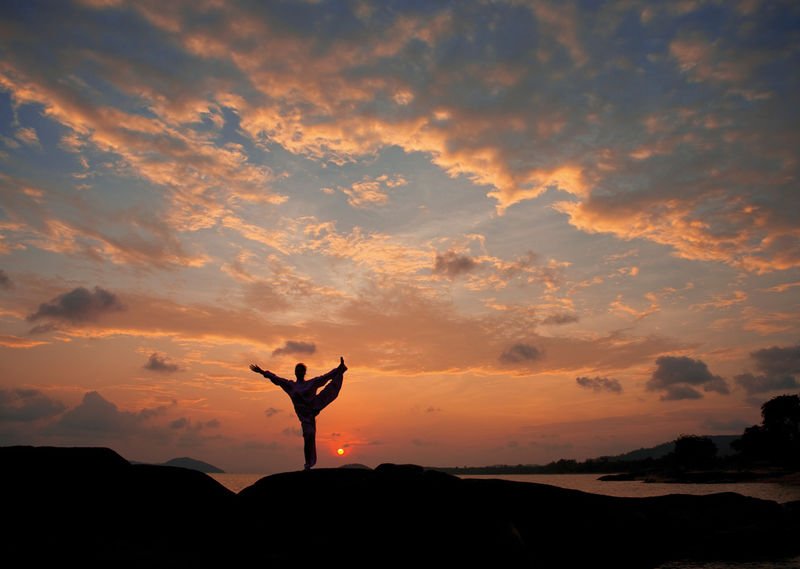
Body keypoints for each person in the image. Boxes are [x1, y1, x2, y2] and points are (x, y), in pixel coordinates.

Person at [250, 356, 347, 470]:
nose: (299, 372)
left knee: (328, 391)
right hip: (305, 416)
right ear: (295, 373)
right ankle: (308, 463)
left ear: (304, 372)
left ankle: (308, 463)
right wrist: (261, 371)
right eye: (297, 370)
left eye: (301, 370)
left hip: (314, 406)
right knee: (309, 435)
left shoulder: (311, 383)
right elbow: (277, 379)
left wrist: (338, 369)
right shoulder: (291, 386)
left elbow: (325, 377)